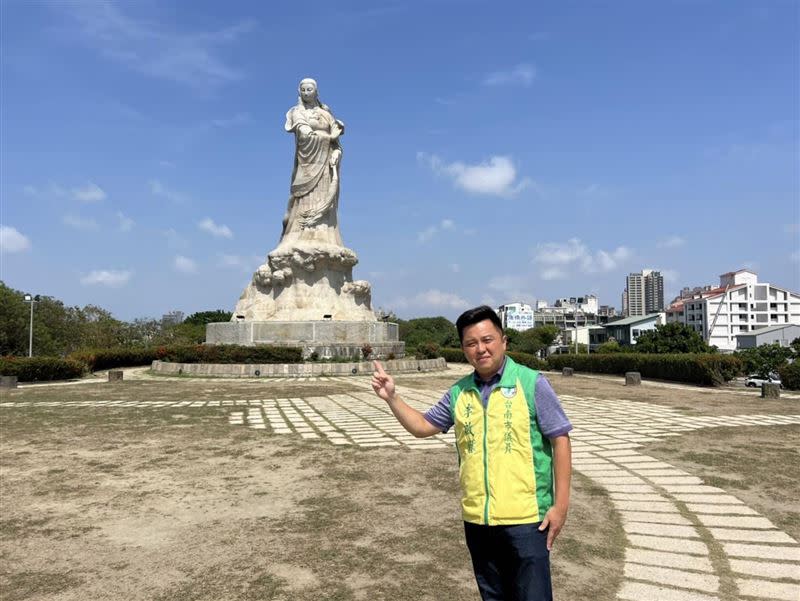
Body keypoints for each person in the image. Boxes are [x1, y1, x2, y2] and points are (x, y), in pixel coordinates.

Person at [371, 305, 572, 601]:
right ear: (464, 349)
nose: (481, 349)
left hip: (527, 520)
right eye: (471, 343)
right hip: (478, 521)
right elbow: (423, 426)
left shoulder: (532, 383)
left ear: (503, 340)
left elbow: (560, 440)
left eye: (488, 340)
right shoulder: (459, 393)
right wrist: (392, 398)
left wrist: (561, 507)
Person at [281, 77, 345, 244]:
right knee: (302, 198)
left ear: (316, 91)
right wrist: (327, 137)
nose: (306, 92)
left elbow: (336, 143)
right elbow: (304, 134)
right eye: (303, 90)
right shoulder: (297, 112)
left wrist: (336, 152)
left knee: (325, 194)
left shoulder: (326, 114)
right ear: (299, 92)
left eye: (309, 89)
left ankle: (324, 232)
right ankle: (299, 233)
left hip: (326, 165)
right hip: (307, 164)